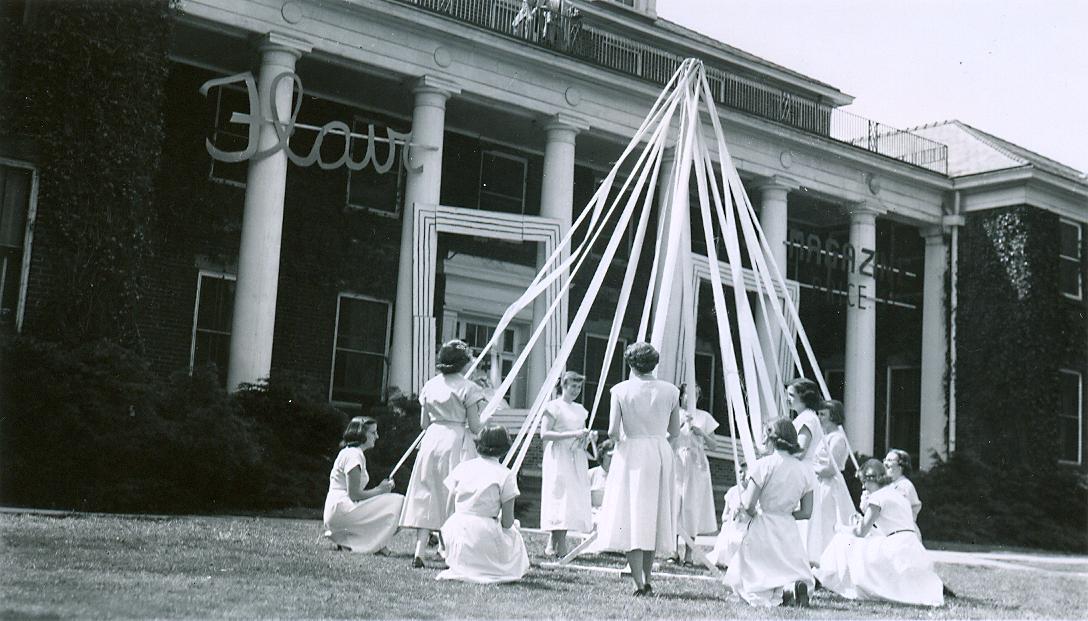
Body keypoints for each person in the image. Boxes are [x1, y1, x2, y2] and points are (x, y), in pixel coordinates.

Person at [594, 342, 681, 597]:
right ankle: (647, 579)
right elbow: (674, 432)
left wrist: (626, 436)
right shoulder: (671, 391)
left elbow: (612, 430)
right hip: (659, 451)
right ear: (654, 364)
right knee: (651, 514)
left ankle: (638, 583)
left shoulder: (620, 390)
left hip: (631, 452)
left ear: (630, 364)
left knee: (632, 514)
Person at [400, 339, 486, 568]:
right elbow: (476, 427)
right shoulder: (469, 388)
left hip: (432, 440)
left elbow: (423, 423)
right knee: (452, 494)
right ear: (463, 362)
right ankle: (448, 551)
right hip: (455, 439)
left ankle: (419, 551)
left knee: (426, 491)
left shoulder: (430, 385)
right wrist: (484, 413)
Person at [814, 459, 944, 607]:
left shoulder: (877, 498)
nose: (863, 487)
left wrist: (841, 528)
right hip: (911, 546)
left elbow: (861, 532)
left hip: (894, 547)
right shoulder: (897, 495)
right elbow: (888, 526)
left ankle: (825, 578)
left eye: (864, 482)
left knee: (843, 540)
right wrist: (863, 514)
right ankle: (829, 578)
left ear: (872, 479)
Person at [724, 418, 815, 608]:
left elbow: (749, 504)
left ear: (771, 438)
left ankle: (775, 593)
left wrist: (746, 510)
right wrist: (787, 515)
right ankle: (789, 590)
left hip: (764, 523)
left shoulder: (763, 465)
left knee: (757, 572)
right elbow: (807, 512)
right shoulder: (805, 470)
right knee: (784, 565)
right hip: (787, 526)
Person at [437, 424, 530, 584]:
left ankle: (465, 564)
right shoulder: (506, 474)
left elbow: (447, 510)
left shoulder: (463, 467)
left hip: (456, 530)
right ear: (504, 447)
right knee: (515, 533)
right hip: (482, 533)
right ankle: (492, 566)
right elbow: (507, 522)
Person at [322, 416, 405, 553]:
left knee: (394, 503)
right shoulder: (354, 455)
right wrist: (380, 490)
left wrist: (381, 490)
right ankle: (373, 545)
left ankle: (358, 543)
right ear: (361, 434)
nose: (377, 436)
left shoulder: (350, 452)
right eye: (373, 433)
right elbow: (354, 494)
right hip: (342, 509)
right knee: (401, 502)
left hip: (338, 510)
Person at [539, 371, 593, 557]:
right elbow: (544, 434)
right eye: (573, 386)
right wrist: (572, 435)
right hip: (558, 455)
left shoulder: (580, 409)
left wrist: (586, 437)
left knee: (570, 499)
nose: (576, 390)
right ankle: (560, 546)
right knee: (559, 496)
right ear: (564, 385)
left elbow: (580, 434)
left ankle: (552, 544)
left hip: (575, 456)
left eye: (579, 387)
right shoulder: (554, 407)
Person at [671, 383, 719, 566]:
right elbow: (667, 439)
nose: (693, 397)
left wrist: (702, 434)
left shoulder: (704, 417)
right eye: (689, 394)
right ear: (681, 396)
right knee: (676, 503)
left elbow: (714, 445)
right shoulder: (674, 414)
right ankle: (673, 550)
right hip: (678, 461)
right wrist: (681, 425)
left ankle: (689, 554)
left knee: (692, 507)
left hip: (696, 463)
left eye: (697, 394)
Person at [806, 399, 858, 564]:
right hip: (818, 483)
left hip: (829, 485)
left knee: (828, 522)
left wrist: (809, 468)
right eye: (819, 414)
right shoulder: (824, 437)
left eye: (823, 414)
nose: (819, 417)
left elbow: (830, 468)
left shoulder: (837, 438)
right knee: (816, 522)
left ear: (833, 416)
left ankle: (829, 562)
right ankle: (816, 559)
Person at [786, 378, 824, 550]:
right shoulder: (806, 417)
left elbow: (800, 450)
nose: (788, 398)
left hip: (802, 473)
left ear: (804, 397)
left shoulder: (807, 418)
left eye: (791, 395)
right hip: (802, 470)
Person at [707, 464, 748, 569]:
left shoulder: (753, 492)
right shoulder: (732, 491)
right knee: (729, 536)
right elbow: (723, 517)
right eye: (740, 472)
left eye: (745, 472)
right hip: (732, 525)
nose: (742, 475)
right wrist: (733, 514)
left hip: (746, 527)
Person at [884, 449, 922, 521]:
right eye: (885, 460)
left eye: (889, 460)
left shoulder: (905, 485)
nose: (885, 463)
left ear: (900, 466)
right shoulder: (889, 485)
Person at [588, 438, 614, 523]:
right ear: (602, 454)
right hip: (592, 517)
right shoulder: (591, 474)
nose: (613, 460)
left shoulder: (620, 477)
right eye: (610, 456)